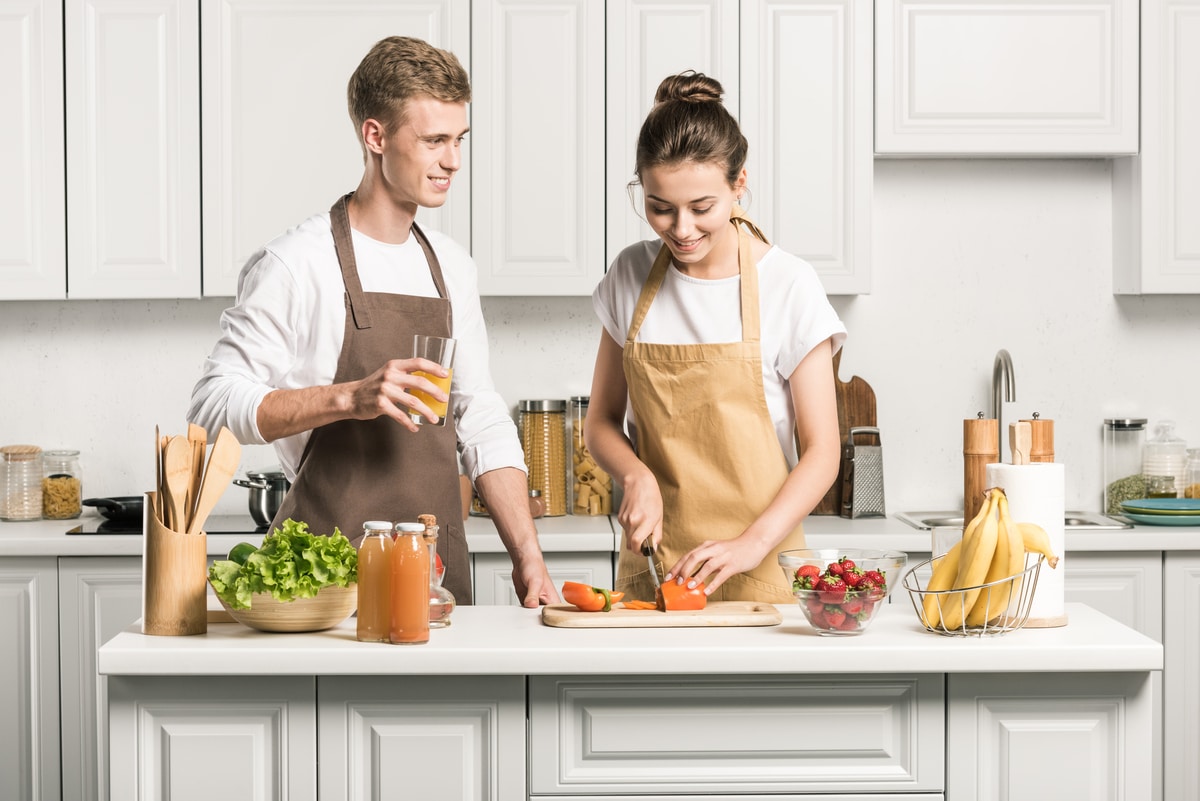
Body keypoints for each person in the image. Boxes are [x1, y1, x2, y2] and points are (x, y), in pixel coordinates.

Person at [188, 36, 558, 607]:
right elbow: (211, 410)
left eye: (459, 140)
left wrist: (529, 559)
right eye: (434, 140)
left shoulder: (452, 268)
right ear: (375, 136)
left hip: (433, 582)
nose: (453, 160)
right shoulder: (295, 263)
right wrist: (349, 399)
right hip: (322, 590)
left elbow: (479, 416)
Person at [586, 71, 847, 604]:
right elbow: (600, 423)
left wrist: (750, 545)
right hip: (655, 568)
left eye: (701, 207)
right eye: (660, 207)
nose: (681, 229)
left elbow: (823, 452)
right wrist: (635, 475)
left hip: (762, 565)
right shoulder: (630, 276)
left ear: (738, 184)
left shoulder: (788, 284)